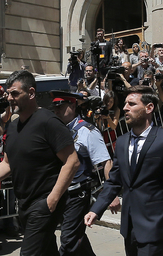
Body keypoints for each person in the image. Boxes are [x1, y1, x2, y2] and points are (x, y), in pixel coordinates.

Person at [0, 70, 80, 256]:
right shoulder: (13, 126)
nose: (9, 98)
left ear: (31, 93)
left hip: (43, 204)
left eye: (15, 93)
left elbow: (72, 162)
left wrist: (53, 199)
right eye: (8, 93)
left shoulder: (48, 122)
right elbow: (7, 163)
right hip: (24, 204)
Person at [84, 85, 163, 256]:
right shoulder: (122, 142)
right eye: (125, 104)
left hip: (154, 225)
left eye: (131, 104)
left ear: (149, 108)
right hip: (129, 227)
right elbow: (114, 180)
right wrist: (96, 209)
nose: (125, 108)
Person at [50, 90, 113, 256]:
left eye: (61, 107)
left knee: (68, 239)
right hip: (60, 192)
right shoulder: (56, 131)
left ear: (72, 105)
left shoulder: (88, 131)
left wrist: (111, 193)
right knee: (76, 236)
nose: (56, 111)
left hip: (78, 193)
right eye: (55, 108)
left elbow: (105, 161)